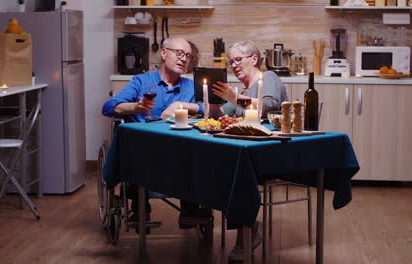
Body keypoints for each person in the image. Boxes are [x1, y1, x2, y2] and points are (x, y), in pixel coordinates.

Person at [102, 37, 210, 228]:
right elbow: (109, 107)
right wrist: (136, 107)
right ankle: (140, 206)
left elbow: (207, 107)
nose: (184, 59)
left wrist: (181, 105)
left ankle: (190, 208)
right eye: (179, 53)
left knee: (197, 151)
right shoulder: (141, 81)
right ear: (163, 53)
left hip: (180, 152)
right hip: (145, 154)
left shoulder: (190, 86)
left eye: (188, 56)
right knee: (136, 151)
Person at [212, 40, 288, 262]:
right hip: (243, 152)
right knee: (212, 163)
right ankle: (248, 224)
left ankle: (245, 233)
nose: (233, 65)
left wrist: (235, 98)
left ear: (254, 59)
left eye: (238, 60)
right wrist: (185, 106)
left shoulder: (269, 78)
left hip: (269, 153)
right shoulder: (242, 91)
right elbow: (219, 113)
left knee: (232, 171)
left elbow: (270, 106)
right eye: (230, 62)